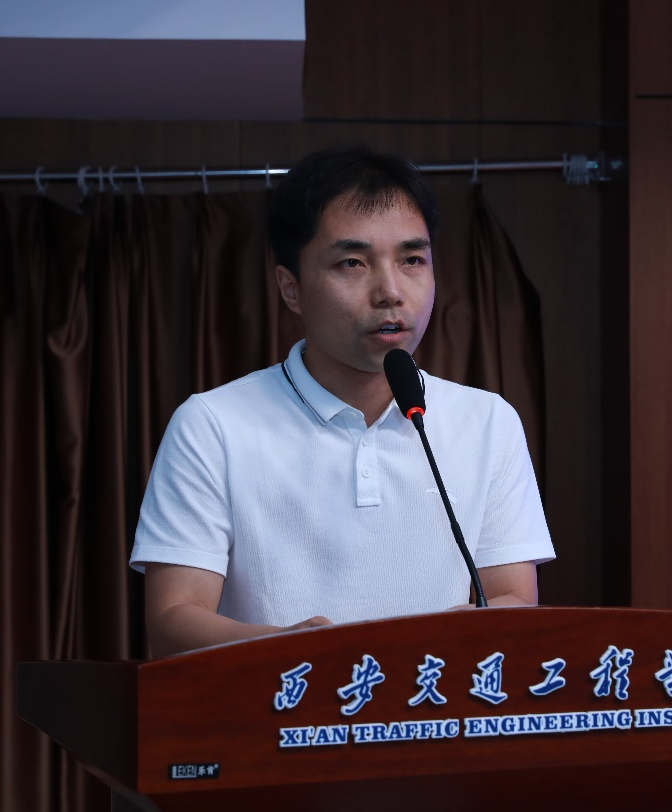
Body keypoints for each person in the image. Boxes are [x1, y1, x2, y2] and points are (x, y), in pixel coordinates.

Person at [129, 145, 554, 658]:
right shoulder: (212, 425)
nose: (390, 291)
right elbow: (172, 621)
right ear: (291, 288)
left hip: (432, 703)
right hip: (281, 702)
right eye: (353, 262)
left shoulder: (488, 422)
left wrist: (452, 637)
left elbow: (514, 597)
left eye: (412, 260)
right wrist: (301, 652)